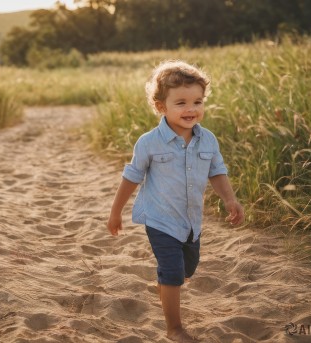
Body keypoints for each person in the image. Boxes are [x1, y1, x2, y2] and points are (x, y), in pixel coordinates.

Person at [107, 60, 245, 342]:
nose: (191, 109)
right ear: (161, 106)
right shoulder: (149, 142)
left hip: (191, 222)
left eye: (197, 101)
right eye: (181, 102)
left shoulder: (208, 140)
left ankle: (166, 283)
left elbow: (217, 172)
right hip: (160, 219)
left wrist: (231, 200)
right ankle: (175, 329)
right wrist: (115, 212)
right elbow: (131, 177)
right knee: (172, 273)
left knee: (185, 271)